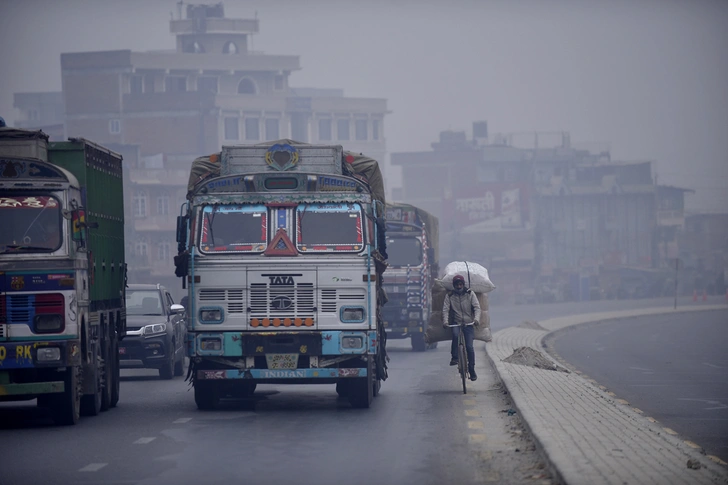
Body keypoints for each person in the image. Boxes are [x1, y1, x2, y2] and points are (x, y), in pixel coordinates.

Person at [442, 274, 481, 381]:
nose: (459, 286)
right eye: (457, 285)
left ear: (463, 284)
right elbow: (445, 310)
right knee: (455, 335)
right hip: (457, 322)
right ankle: (454, 357)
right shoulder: (449, 296)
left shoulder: (470, 294)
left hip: (469, 324)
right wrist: (445, 322)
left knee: (469, 347)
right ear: (454, 285)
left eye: (460, 284)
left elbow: (477, 308)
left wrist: (476, 319)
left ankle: (472, 370)